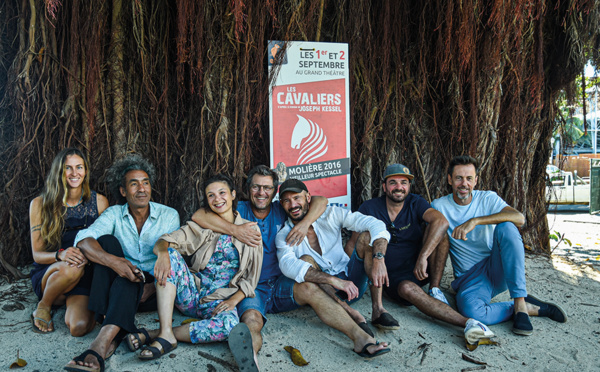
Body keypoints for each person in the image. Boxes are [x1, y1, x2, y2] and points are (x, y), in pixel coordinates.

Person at [193, 166, 389, 371]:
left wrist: (305, 223)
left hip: (280, 284)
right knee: (252, 320)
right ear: (248, 189)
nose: (261, 193)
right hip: (249, 287)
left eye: (267, 188)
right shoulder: (236, 210)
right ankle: (250, 359)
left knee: (309, 286)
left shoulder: (281, 209)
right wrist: (235, 229)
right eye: (256, 187)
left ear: (274, 191)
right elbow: (199, 215)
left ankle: (361, 339)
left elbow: (320, 201)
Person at [347, 163, 494, 346]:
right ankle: (468, 323)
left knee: (440, 232)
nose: (399, 187)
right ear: (384, 186)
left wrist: (423, 257)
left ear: (409, 186)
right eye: (393, 182)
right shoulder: (370, 207)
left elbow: (441, 222)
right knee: (405, 285)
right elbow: (353, 245)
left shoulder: (416, 202)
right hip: (391, 277)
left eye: (404, 182)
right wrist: (358, 274)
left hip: (420, 267)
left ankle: (435, 289)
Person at [126, 174, 263, 360]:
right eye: (211, 195)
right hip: (191, 295)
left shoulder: (250, 230)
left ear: (232, 194)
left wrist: (233, 301)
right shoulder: (201, 226)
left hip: (219, 300)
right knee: (170, 254)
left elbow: (251, 278)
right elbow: (164, 241)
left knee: (229, 326)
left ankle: (156, 334)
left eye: (222, 192)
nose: (217, 199)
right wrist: (163, 252)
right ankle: (165, 332)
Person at [65, 154, 180, 372]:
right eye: (134, 184)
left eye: (145, 182)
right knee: (106, 242)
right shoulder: (114, 214)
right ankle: (112, 336)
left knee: (129, 279)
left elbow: (173, 258)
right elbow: (82, 239)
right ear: (123, 191)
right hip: (121, 281)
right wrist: (115, 261)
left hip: (153, 290)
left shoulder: (168, 215)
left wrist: (150, 283)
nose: (142, 189)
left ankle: (100, 344)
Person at [431, 155, 567, 336]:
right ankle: (531, 308)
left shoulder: (487, 199)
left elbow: (519, 218)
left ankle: (519, 302)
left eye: (469, 178)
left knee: (507, 227)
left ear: (476, 180)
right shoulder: (439, 206)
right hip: (469, 279)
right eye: (459, 178)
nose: (464, 184)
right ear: (450, 180)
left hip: (495, 268)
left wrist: (476, 221)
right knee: (474, 313)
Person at [275, 178, 396, 342]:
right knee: (305, 260)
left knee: (367, 236)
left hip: (352, 283)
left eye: (297, 198)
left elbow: (374, 224)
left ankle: (378, 309)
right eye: (287, 201)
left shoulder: (331, 214)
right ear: (282, 204)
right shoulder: (284, 234)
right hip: (326, 293)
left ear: (308, 198)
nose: (293, 204)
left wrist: (379, 258)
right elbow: (288, 265)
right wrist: (333, 280)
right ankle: (350, 312)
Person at [29, 148, 109, 336]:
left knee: (78, 327)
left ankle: (75, 304)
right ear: (59, 171)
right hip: (54, 273)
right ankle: (44, 305)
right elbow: (37, 255)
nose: (74, 173)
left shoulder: (100, 202)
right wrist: (61, 255)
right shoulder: (40, 204)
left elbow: (105, 243)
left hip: (85, 273)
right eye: (68, 168)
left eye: (79, 167)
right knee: (71, 267)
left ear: (86, 171)